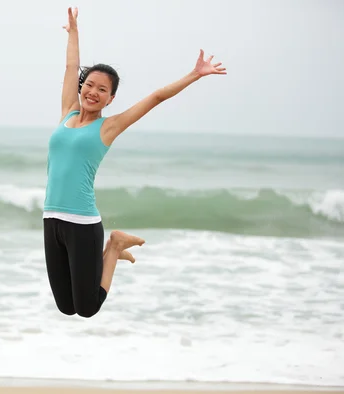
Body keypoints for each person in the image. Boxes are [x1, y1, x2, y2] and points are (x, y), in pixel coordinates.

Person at [42, 7, 226, 318]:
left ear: (110, 99)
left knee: (87, 309)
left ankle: (113, 246)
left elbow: (155, 98)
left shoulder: (107, 127)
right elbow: (71, 66)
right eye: (90, 85)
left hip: (83, 223)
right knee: (65, 307)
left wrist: (195, 74)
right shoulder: (68, 112)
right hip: (51, 219)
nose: (93, 92)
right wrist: (73, 33)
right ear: (82, 87)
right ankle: (111, 249)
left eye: (103, 90)